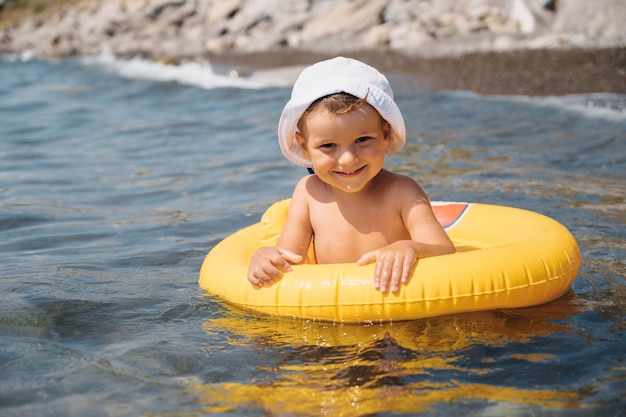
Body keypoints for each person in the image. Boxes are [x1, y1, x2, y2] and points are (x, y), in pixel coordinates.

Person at [247, 57, 455, 293]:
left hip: (397, 306)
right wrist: (265, 257)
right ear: (304, 146)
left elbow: (445, 251)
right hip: (332, 311)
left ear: (385, 134)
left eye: (362, 140)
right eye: (328, 146)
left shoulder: (402, 191)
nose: (347, 159)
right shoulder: (308, 194)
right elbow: (287, 257)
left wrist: (411, 248)